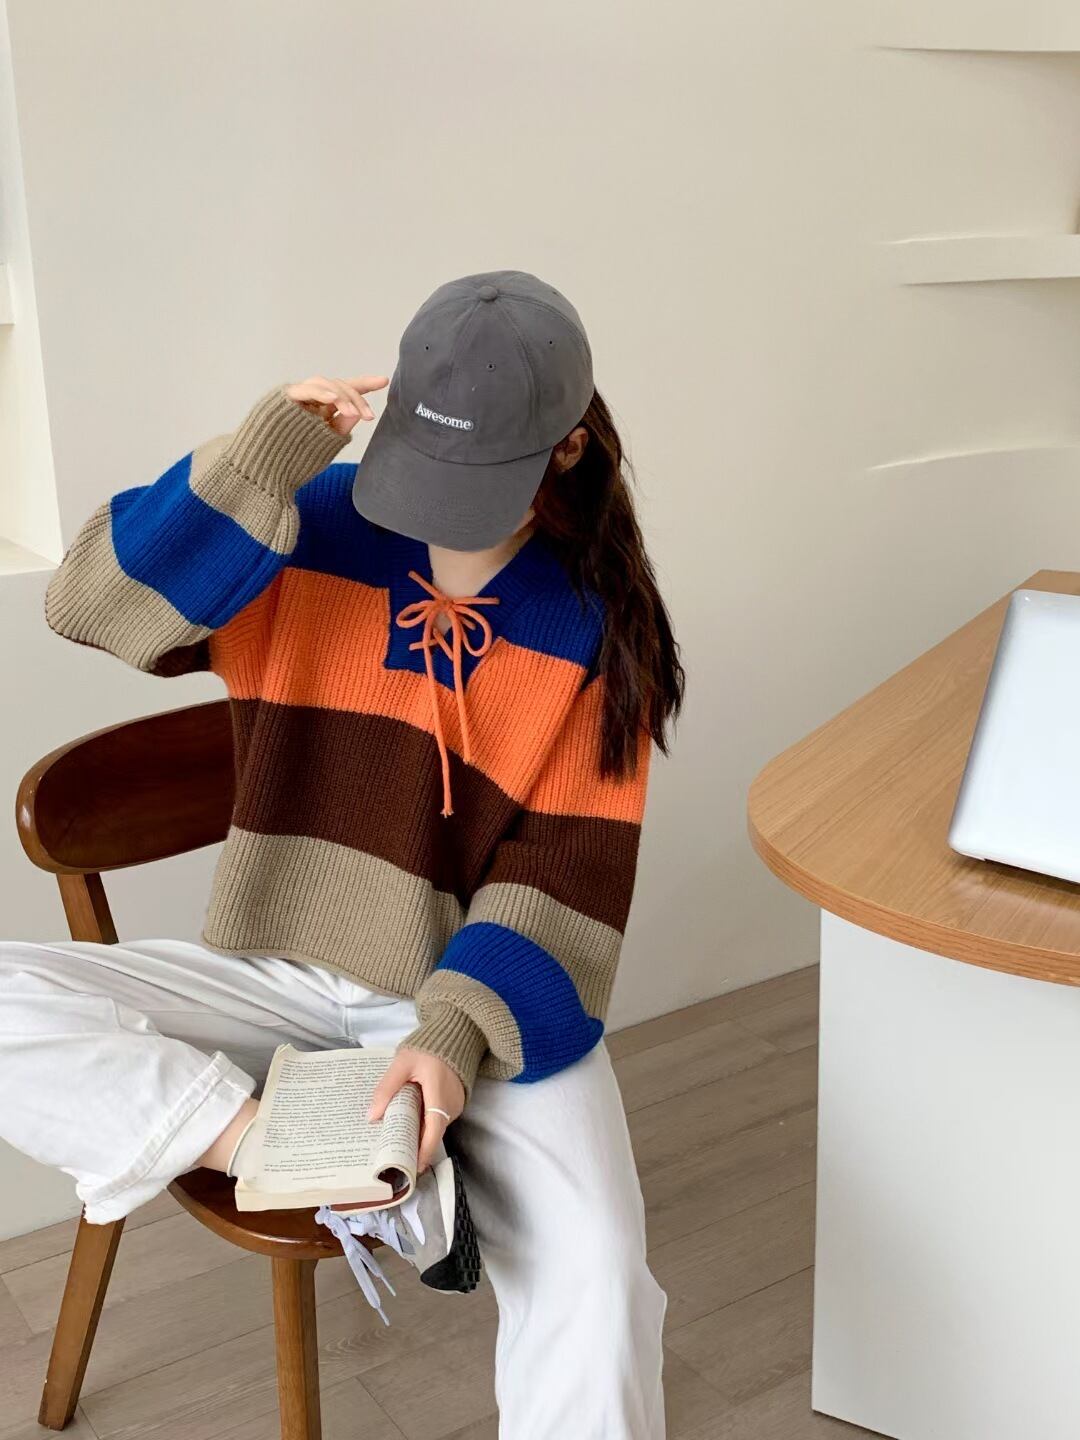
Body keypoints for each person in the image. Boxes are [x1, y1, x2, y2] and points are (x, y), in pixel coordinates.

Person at [0, 270, 684, 1438]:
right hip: (274, 976)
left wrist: (450, 1042)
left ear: (568, 450)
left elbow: (558, 881)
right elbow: (89, 606)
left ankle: (393, 1162)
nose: (433, 510)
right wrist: (251, 466)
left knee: (603, 1288)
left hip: (463, 997)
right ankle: (299, 1153)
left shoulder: (596, 621)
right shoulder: (308, 522)